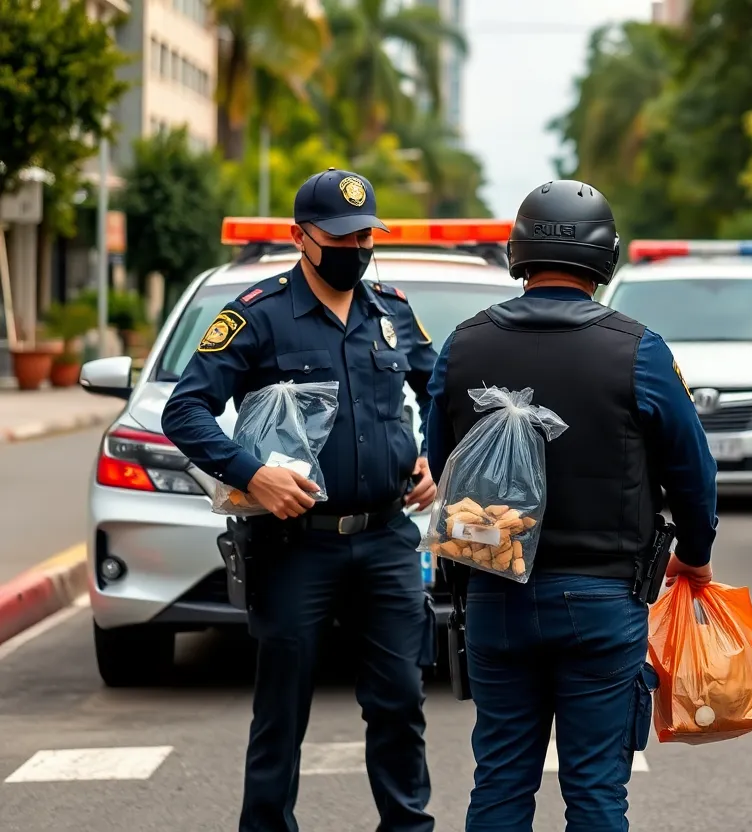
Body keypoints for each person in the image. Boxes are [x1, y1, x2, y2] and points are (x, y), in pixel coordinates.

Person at [425, 179, 719, 831]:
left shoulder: (464, 344)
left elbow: (439, 461)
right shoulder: (637, 349)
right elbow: (693, 472)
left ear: (519, 252)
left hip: (496, 596)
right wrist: (694, 557)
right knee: (594, 793)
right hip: (600, 604)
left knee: (500, 785)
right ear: (604, 257)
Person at [161, 168, 440, 832]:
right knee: (282, 707)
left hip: (386, 537)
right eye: (341, 236)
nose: (357, 248)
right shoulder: (257, 315)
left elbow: (440, 389)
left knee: (400, 700)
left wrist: (437, 454)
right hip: (295, 545)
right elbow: (186, 411)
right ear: (301, 238)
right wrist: (251, 472)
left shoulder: (392, 310)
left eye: (366, 235)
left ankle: (406, 826)